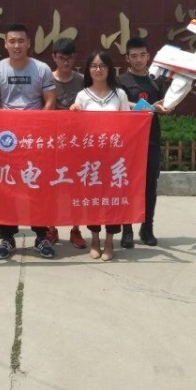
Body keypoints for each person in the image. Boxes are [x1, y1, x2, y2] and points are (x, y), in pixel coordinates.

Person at [0, 23, 57, 259]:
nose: (17, 45)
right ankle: (7, 237)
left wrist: (37, 125)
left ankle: (41, 237)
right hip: (7, 139)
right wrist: (6, 124)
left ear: (28, 43)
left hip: (35, 138)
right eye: (12, 41)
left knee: (38, 187)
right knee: (6, 189)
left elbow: (50, 100)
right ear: (5, 44)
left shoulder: (42, 68)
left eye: (21, 41)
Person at [72, 50, 130, 261]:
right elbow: (77, 128)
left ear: (109, 69)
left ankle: (109, 242)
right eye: (94, 66)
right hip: (91, 157)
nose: (98, 70)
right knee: (93, 199)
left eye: (102, 66)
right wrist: (74, 113)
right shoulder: (82, 95)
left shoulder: (119, 94)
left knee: (113, 199)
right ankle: (95, 240)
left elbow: (128, 124)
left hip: (114, 156)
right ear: (88, 70)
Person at [117, 36, 170, 248]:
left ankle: (147, 228)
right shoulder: (121, 81)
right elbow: (119, 103)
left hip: (151, 140)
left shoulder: (157, 80)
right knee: (127, 186)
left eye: (142, 55)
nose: (138, 60)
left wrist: (168, 106)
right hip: (128, 143)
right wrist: (148, 107)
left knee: (150, 187)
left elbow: (165, 106)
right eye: (134, 56)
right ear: (127, 58)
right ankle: (127, 230)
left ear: (148, 56)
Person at [49, 37, 87, 249]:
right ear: (54, 57)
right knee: (51, 188)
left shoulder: (82, 80)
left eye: (70, 58)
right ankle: (51, 228)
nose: (66, 62)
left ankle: (75, 229)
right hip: (52, 142)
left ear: (75, 58)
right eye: (62, 57)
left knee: (76, 188)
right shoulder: (46, 79)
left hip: (76, 143)